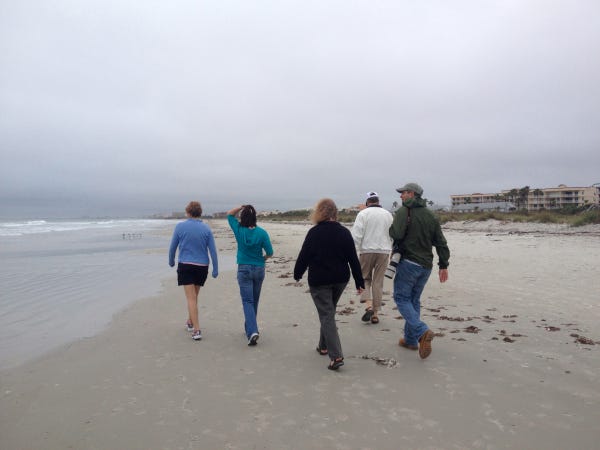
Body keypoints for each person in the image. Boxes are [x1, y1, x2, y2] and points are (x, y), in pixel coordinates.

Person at [294, 198, 365, 370]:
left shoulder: (314, 232)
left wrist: (297, 274)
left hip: (319, 281)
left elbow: (304, 256)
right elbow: (353, 259)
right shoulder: (344, 232)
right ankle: (323, 346)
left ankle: (336, 356)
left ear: (320, 213)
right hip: (340, 279)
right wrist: (359, 281)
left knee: (326, 315)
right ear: (335, 213)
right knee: (328, 312)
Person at [389, 183, 449, 359]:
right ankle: (410, 340)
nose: (401, 196)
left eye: (403, 193)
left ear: (412, 194)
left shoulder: (403, 212)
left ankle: (422, 331)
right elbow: (441, 242)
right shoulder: (431, 215)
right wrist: (443, 265)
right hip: (426, 266)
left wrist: (391, 228)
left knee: (401, 298)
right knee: (413, 300)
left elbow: (397, 234)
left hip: (409, 263)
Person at [168, 201, 219, 341]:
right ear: (200, 213)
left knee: (191, 298)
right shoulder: (206, 229)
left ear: (188, 212)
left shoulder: (180, 227)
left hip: (186, 265)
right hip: (202, 267)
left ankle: (196, 330)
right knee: (194, 297)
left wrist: (171, 261)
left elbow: (173, 247)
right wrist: (215, 268)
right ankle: (190, 322)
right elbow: (213, 251)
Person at [227, 205, 274, 346]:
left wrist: (241, 207)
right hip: (259, 268)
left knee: (247, 301)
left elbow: (229, 215)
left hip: (244, 269)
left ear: (242, 217)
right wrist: (263, 259)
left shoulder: (239, 229)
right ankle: (250, 328)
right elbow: (270, 252)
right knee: (254, 300)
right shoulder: (262, 233)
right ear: (255, 218)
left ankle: (252, 330)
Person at [351, 191, 393, 324]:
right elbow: (393, 233)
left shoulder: (363, 214)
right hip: (384, 251)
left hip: (367, 250)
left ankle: (368, 305)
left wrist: (353, 250)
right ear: (378, 201)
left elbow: (357, 234)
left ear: (367, 202)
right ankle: (375, 314)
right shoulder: (388, 214)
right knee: (378, 282)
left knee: (365, 278)